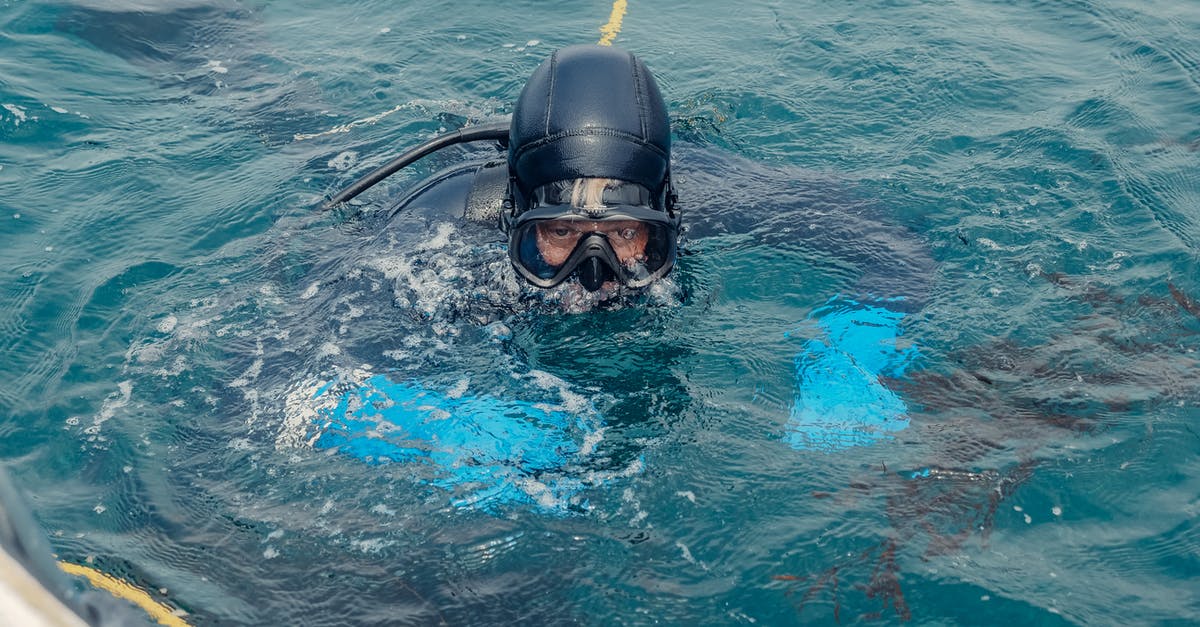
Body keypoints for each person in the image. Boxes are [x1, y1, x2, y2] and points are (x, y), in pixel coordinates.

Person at [305, 44, 927, 512]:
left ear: (666, 219)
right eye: (559, 234)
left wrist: (849, 351)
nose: (594, 275)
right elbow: (299, 362)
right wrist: (433, 426)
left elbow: (891, 249)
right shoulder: (438, 226)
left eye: (627, 235)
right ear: (516, 220)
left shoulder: (710, 197)